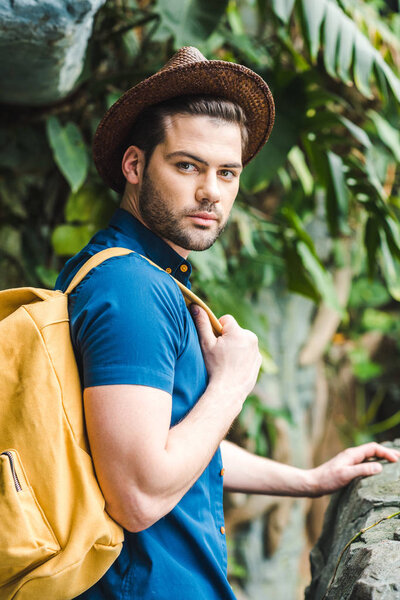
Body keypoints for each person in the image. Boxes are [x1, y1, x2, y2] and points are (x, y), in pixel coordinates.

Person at [55, 47, 399, 600]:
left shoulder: (145, 275)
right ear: (136, 165)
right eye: (187, 165)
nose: (211, 191)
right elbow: (138, 496)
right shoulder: (132, 291)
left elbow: (171, 441)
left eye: (227, 172)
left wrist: (309, 481)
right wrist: (234, 383)